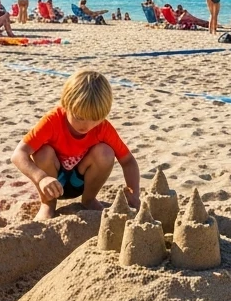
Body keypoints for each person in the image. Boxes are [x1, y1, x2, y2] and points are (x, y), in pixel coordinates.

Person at [11, 70, 141, 221]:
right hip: (52, 182)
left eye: (95, 119)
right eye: (79, 117)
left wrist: (134, 193)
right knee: (42, 152)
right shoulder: (52, 121)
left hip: (81, 181)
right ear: (66, 105)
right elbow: (18, 154)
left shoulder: (103, 128)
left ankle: (89, 200)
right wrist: (41, 178)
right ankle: (48, 205)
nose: (86, 125)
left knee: (105, 152)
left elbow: (128, 161)